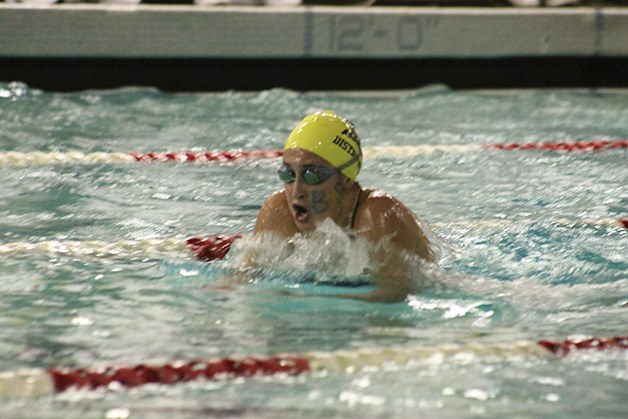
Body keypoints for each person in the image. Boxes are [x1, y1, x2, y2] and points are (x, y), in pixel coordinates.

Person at [250, 110, 435, 303]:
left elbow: (395, 295)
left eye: (312, 175)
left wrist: (314, 301)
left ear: (346, 178)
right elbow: (242, 278)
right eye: (288, 174)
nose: (296, 191)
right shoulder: (278, 211)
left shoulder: (378, 216)